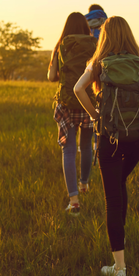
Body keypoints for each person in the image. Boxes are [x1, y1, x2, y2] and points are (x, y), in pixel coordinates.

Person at [74, 16, 139, 276]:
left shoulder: (98, 63)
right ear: (129, 34)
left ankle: (120, 269)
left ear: (105, 36)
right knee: (120, 183)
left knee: (112, 197)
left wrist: (95, 116)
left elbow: (78, 88)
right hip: (137, 140)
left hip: (109, 138)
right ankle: (120, 239)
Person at [47, 12, 95, 216]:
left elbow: (51, 77)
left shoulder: (61, 46)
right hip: (88, 101)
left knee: (68, 150)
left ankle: (74, 200)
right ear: (85, 27)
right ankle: (84, 184)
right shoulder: (95, 45)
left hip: (66, 102)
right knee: (86, 146)